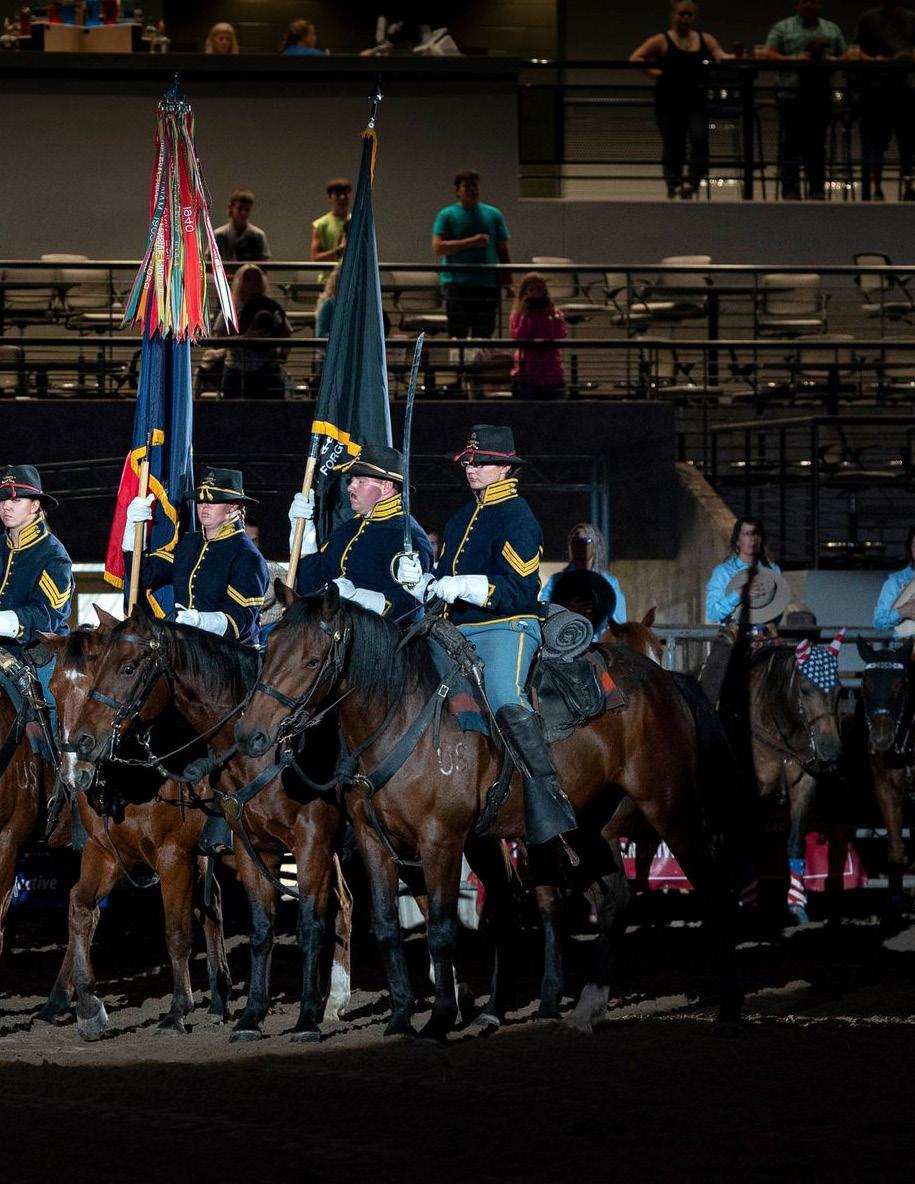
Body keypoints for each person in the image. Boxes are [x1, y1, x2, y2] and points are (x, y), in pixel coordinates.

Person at [396, 425, 577, 846]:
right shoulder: (462, 517)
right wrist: (421, 583)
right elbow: (443, 584)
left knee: (503, 696)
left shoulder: (518, 516)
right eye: (468, 462)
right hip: (454, 630)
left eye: (480, 462)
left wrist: (466, 586)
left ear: (504, 469)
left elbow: (520, 590)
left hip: (506, 626)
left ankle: (547, 796)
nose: (470, 468)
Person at [287, 444, 434, 622]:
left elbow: (411, 607)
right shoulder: (347, 530)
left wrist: (358, 599)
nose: (350, 487)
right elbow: (312, 585)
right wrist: (303, 529)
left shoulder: (408, 536)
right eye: (351, 481)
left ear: (386, 486)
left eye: (360, 481)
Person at [123, 467, 268, 644]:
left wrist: (201, 621)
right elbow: (145, 575)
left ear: (233, 506)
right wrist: (133, 530)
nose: (204, 506)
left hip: (227, 652)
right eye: (200, 500)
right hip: (186, 647)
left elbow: (241, 620)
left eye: (213, 501)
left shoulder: (247, 555)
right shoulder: (187, 544)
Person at [0, 465, 72, 749]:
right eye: (3, 499)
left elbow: (48, 616)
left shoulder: (54, 554)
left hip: (35, 651)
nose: (6, 506)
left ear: (35, 506)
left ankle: (61, 767)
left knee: (54, 707)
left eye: (16, 500)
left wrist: (3, 621)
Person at [630, 0, 728, 199]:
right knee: (673, 141)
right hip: (669, 99)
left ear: (694, 17)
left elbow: (719, 53)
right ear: (673, 15)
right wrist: (658, 74)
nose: (685, 18)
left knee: (699, 137)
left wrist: (730, 57)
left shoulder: (704, 39)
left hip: (695, 99)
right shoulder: (662, 40)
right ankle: (674, 184)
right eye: (681, 14)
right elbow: (636, 58)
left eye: (689, 15)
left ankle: (692, 181)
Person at [764, 0, 847, 200]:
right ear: (796, 4)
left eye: (813, 1)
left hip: (820, 94)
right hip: (791, 94)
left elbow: (846, 55)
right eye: (804, 1)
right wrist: (795, 59)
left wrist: (833, 60)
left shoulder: (831, 29)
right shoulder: (782, 27)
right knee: (790, 142)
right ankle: (790, 189)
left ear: (820, 4)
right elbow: (768, 53)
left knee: (817, 144)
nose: (809, 4)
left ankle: (817, 189)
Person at [432, 170, 512, 340]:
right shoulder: (446, 215)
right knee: (458, 333)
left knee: (483, 334)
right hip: (456, 283)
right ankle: (459, 359)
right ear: (458, 191)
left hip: (487, 284)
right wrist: (472, 242)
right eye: (467, 186)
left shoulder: (494, 215)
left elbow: (503, 250)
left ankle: (479, 359)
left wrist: (508, 281)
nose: (472, 190)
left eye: (475, 186)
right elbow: (438, 247)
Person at [853, 0, 915, 200]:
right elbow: (857, 51)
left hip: (906, 89)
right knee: (876, 144)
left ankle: (909, 188)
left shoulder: (911, 19)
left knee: (908, 144)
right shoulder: (868, 18)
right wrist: (875, 61)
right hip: (877, 90)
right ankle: (876, 189)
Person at [213, 264, 292, 400]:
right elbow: (216, 341)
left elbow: (287, 332)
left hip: (267, 371)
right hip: (236, 371)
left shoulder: (270, 305)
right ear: (240, 283)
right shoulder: (231, 308)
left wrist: (282, 356)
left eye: (257, 279)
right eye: (248, 280)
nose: (253, 283)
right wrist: (245, 338)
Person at [541, 522, 627, 634]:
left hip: (599, 641)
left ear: (596, 545)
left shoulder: (609, 581)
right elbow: (543, 612)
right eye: (575, 541)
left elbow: (620, 623)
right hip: (564, 639)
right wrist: (566, 610)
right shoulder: (556, 580)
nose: (579, 546)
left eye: (585, 541)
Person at [706, 516, 783, 625]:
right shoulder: (723, 572)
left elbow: (779, 610)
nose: (753, 539)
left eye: (756, 534)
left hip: (763, 633)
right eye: (747, 534)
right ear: (737, 540)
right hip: (733, 633)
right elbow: (712, 614)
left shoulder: (773, 569)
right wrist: (739, 593)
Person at [509, 272, 567, 400]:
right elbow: (519, 338)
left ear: (544, 292)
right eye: (531, 290)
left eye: (539, 290)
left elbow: (560, 336)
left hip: (551, 371)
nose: (535, 294)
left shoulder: (555, 314)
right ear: (525, 293)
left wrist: (552, 316)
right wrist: (525, 316)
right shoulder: (517, 315)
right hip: (527, 373)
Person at [311, 179, 352, 287]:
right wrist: (338, 251)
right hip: (327, 284)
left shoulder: (358, 223)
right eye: (338, 194)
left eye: (345, 194)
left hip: (352, 283)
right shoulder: (320, 224)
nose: (342, 198)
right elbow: (315, 258)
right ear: (330, 198)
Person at [874, 524, 915, 630]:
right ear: (910, 548)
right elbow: (879, 621)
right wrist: (902, 612)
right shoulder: (896, 581)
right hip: (906, 639)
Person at [214, 189, 271, 264]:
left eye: (247, 210)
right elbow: (210, 262)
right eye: (240, 208)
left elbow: (264, 264)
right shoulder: (219, 235)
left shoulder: (258, 235)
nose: (243, 213)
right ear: (231, 208)